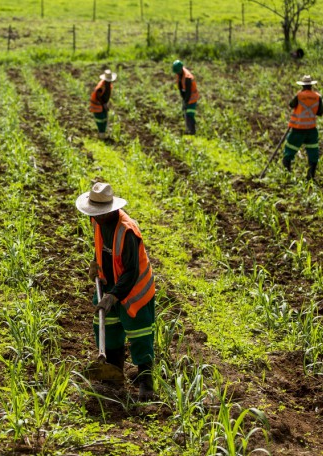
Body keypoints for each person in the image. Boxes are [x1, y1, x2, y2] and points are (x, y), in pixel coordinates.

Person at [75, 182, 156, 401]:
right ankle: (113, 374)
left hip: (135, 288)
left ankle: (146, 384)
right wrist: (95, 262)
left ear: (110, 210)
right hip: (109, 281)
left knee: (139, 334)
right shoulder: (97, 220)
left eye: (100, 214)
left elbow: (131, 271)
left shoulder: (127, 231)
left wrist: (113, 296)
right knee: (105, 324)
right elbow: (101, 245)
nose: (97, 217)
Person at [283, 75, 323, 180]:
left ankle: (287, 174)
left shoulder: (299, 95)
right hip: (311, 129)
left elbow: (291, 105)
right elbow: (320, 112)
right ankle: (310, 176)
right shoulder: (317, 97)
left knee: (289, 150)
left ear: (303, 86)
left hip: (298, 128)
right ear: (311, 85)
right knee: (313, 151)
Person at [172, 60, 200, 135]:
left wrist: (185, 102)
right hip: (187, 96)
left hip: (192, 97)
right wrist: (183, 100)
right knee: (185, 113)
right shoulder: (180, 73)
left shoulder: (187, 77)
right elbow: (181, 88)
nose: (177, 73)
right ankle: (189, 129)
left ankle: (192, 132)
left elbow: (188, 91)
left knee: (189, 114)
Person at [89, 69, 116, 139]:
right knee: (100, 119)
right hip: (97, 105)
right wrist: (104, 104)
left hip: (102, 104)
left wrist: (106, 104)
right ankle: (101, 136)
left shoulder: (108, 85)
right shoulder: (101, 87)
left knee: (104, 118)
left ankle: (103, 135)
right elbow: (98, 96)